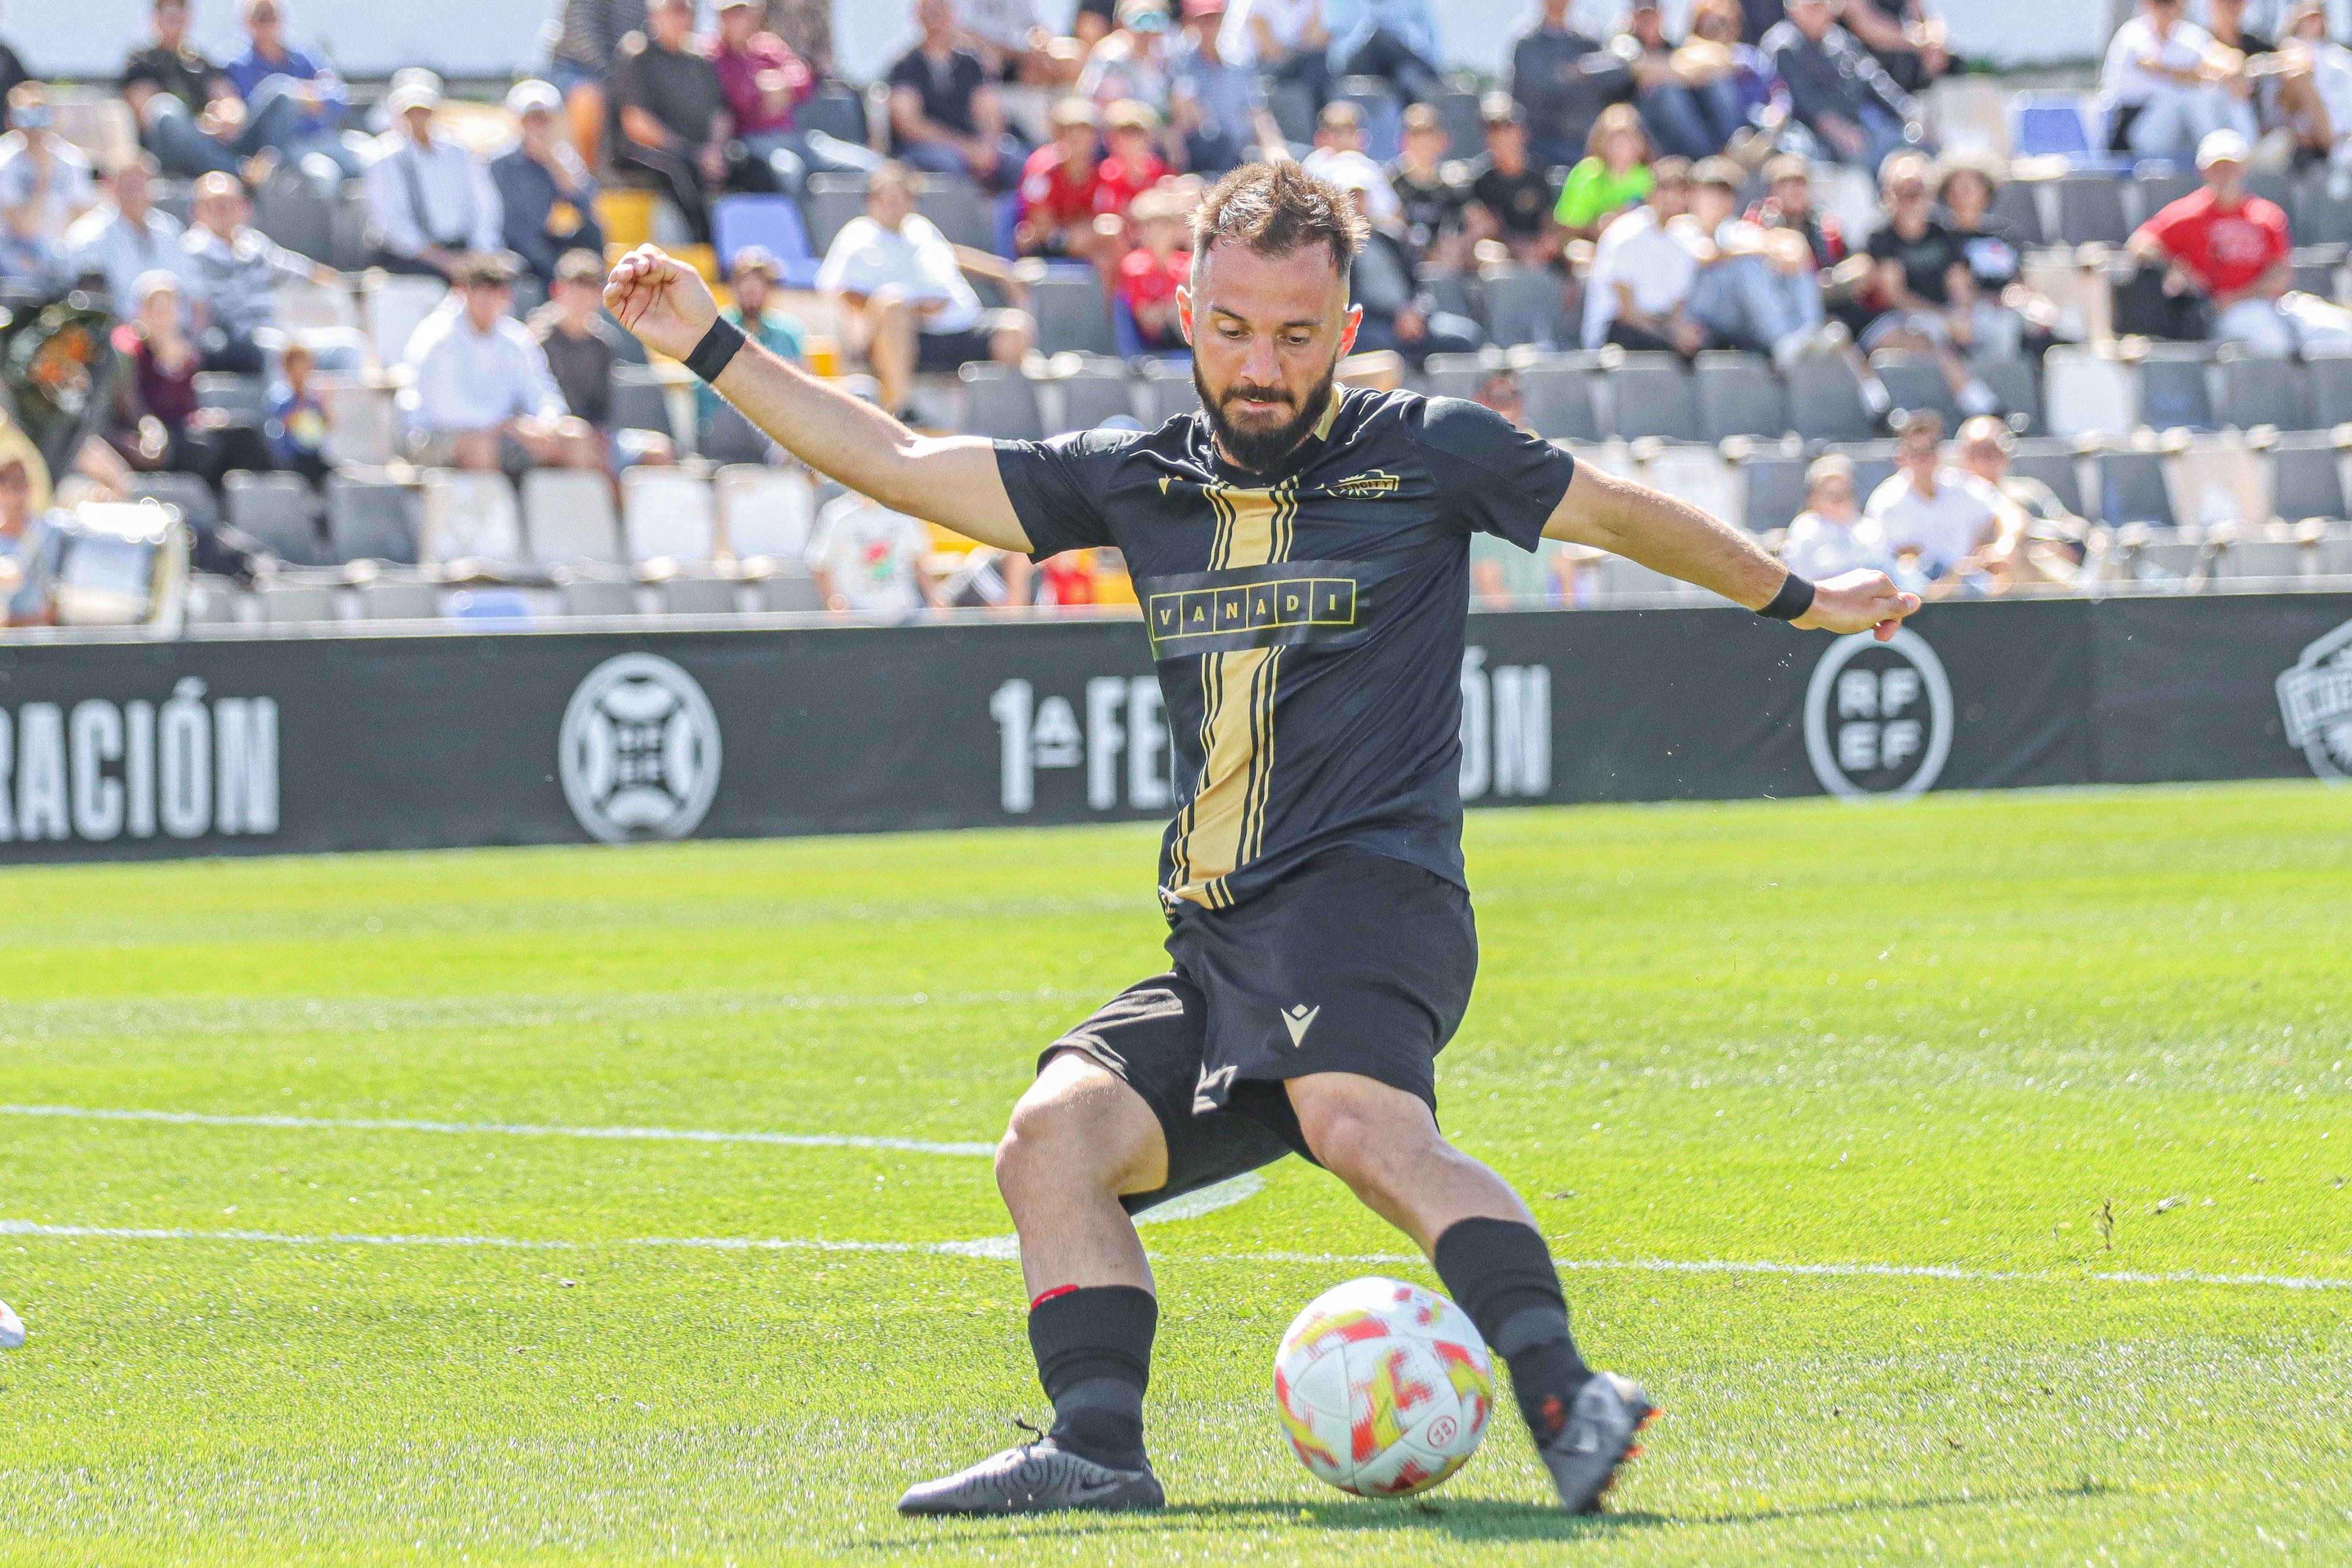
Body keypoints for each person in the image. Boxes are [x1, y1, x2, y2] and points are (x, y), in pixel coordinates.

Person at [597, 156, 1916, 1519]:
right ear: (1185, 314)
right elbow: (902, 466)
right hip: (1219, 940)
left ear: (1346, 328)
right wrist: (706, 342)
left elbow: (1618, 514)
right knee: (1052, 1141)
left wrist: (1803, 598)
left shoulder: (1429, 451)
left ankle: (1564, 1393)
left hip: (1371, 901)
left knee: (1355, 1122)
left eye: (1295, 335)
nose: (1260, 367)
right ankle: (1096, 1449)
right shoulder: (1137, 480)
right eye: (1231, 330)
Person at [814, 161, 1034, 416]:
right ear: (871, 201)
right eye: (887, 196)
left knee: (1016, 328)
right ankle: (902, 410)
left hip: (959, 327)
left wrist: (1003, 272)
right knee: (892, 305)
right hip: (902, 336)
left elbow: (952, 254)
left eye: (902, 195)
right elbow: (840, 291)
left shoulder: (921, 228)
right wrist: (912, 309)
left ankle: (999, 416)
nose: (895, 203)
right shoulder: (857, 236)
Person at [2128, 127, 2352, 356]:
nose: (2225, 174)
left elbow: (2281, 273)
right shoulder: (2187, 213)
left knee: (2340, 333)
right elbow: (2140, 244)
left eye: (2231, 167)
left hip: (2273, 303)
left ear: (2244, 168)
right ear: (2204, 172)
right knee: (2273, 343)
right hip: (2223, 314)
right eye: (2217, 168)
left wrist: (2241, 296)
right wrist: (2176, 268)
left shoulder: (2266, 214)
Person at [401, 250, 602, 473]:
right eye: (480, 289)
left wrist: (546, 423)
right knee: (480, 447)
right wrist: (508, 425)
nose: (487, 299)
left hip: (505, 434)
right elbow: (446, 411)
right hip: (431, 438)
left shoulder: (515, 337)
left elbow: (544, 394)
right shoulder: (437, 335)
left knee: (577, 439)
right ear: (463, 292)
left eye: (496, 290)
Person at [610, 0, 777, 246]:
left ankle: (767, 246)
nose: (682, 17)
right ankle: (706, 249)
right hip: (650, 155)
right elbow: (637, 123)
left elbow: (721, 115)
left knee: (756, 169)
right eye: (674, 10)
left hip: (704, 153)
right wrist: (693, 153)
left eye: (687, 10)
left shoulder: (700, 61)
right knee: (683, 172)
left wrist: (715, 150)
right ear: (654, 15)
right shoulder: (638, 55)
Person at [1860, 150, 2000, 419]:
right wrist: (1945, 319)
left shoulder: (1944, 235)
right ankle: (1984, 408)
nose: (1912, 199)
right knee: (1932, 344)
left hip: (1939, 321)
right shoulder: (1881, 239)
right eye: (1903, 191)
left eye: (1918, 190)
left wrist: (1961, 316)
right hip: (1892, 325)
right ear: (1887, 195)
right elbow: (1895, 297)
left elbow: (1960, 287)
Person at [121, 0, 305, 183]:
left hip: (216, 143)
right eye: (169, 16)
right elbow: (148, 112)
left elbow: (230, 101)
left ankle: (270, 172)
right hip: (176, 152)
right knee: (166, 110)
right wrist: (201, 126)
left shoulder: (199, 62)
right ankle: (242, 174)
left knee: (281, 94)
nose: (175, 21)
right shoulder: (141, 62)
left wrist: (226, 119)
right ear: (155, 19)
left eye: (179, 15)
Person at [709, 0, 881, 195]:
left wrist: (777, 86)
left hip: (796, 137)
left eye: (744, 12)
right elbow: (738, 99)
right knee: (790, 172)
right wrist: (764, 91)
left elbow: (803, 79)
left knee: (870, 164)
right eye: (732, 14)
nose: (740, 20)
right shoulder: (714, 56)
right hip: (754, 141)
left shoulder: (767, 46)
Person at [1682, 156, 1839, 367]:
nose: (1719, 200)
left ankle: (1810, 332)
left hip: (1735, 313)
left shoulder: (1732, 228)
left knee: (1794, 266)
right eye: (1711, 191)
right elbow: (1705, 255)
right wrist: (1762, 250)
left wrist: (1782, 251)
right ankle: (1781, 341)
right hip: (1699, 315)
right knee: (1749, 265)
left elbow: (1793, 247)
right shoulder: (1683, 227)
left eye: (1726, 192)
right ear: (1693, 196)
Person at [181, 170, 343, 374]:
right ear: (196, 212)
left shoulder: (254, 244)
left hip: (276, 331)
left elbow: (295, 269)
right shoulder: (188, 253)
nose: (223, 211)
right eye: (214, 205)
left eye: (230, 203)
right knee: (281, 354)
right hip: (237, 343)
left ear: (245, 208)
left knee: (347, 347)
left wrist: (339, 282)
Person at [1326, 160, 1483, 363]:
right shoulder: (1333, 250)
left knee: (1466, 337)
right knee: (1379, 346)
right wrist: (1395, 318)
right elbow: (1346, 302)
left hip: (1411, 320)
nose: (1356, 203)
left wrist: (1417, 312)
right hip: (1371, 323)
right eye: (1350, 196)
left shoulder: (1390, 239)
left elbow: (1419, 285)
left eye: (1360, 196)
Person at [362, 75, 502, 280]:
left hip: (462, 251)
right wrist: (443, 261)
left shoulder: (459, 151)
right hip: (409, 260)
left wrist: (480, 251)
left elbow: (485, 204)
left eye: (424, 110)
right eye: (412, 112)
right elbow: (392, 223)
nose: (418, 118)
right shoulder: (384, 159)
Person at [1762, 0, 1922, 172]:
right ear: (1794, 10)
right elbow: (1803, 99)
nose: (1821, 12)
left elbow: (1873, 77)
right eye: (1813, 7)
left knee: (1911, 144)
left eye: (1824, 6)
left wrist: (1907, 111)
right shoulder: (1784, 44)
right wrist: (1837, 129)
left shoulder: (1838, 39)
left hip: (1858, 126)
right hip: (1811, 137)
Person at [1864, 409, 2017, 583]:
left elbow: (2009, 512)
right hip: (1915, 591)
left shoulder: (1960, 485)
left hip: (1970, 588)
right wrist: (1954, 575)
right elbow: (1910, 564)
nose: (1923, 459)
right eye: (1915, 452)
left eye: (1929, 450)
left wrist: (2005, 545)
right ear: (1901, 457)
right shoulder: (1888, 502)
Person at [222, 0, 366, 182]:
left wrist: (300, 94)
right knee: (323, 175)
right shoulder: (236, 64)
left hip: (319, 136)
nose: (266, 22)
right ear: (245, 21)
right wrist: (303, 94)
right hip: (283, 149)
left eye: (271, 16)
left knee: (371, 158)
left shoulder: (303, 57)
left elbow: (338, 97)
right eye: (259, 16)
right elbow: (247, 114)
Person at [2102, 0, 2259, 162]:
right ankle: (2219, 154)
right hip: (2133, 129)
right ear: (2146, 4)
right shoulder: (2133, 34)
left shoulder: (2188, 34)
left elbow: (2231, 59)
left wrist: (2228, 74)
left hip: (2175, 132)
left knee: (2226, 90)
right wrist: (2205, 75)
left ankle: (2244, 149)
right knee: (2187, 94)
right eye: (2160, 3)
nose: (2166, 9)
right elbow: (2153, 65)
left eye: (2172, 3)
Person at [887, 0, 1022, 188]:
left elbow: (990, 113)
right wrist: (966, 149)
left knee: (1017, 162)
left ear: (952, 13)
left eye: (940, 7)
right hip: (926, 148)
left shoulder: (971, 64)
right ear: (917, 15)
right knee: (951, 165)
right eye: (928, 9)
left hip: (972, 144)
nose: (935, 14)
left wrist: (988, 147)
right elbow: (909, 125)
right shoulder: (905, 67)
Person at [490, 80, 606, 287]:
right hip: (514, 245)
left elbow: (588, 206)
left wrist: (554, 164)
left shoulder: (564, 159)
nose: (538, 127)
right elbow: (513, 223)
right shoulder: (502, 164)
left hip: (547, 240)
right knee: (542, 259)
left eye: (544, 119)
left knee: (593, 235)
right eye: (532, 119)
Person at [1581, 156, 1700, 351]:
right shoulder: (1626, 234)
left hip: (1657, 329)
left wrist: (1681, 334)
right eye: (1665, 189)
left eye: (1680, 191)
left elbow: (1676, 311)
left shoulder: (1683, 247)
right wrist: (1669, 337)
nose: (1672, 197)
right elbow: (1626, 312)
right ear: (1650, 192)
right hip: (1613, 333)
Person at [63, 155, 201, 323]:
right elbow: (90, 311)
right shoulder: (88, 237)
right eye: (127, 184)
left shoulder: (170, 230)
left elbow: (198, 297)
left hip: (177, 335)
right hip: (120, 335)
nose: (135, 192)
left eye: (141, 184)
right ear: (112, 187)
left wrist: (194, 336)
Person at [1507, 0, 1634, 171]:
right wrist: (1579, 80)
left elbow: (1617, 73)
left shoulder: (1587, 41)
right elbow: (1540, 85)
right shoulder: (1528, 43)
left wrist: (1581, 69)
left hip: (1581, 144)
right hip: (1536, 145)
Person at [693, 243, 801, 440]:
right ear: (734, 289)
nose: (751, 294)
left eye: (758, 287)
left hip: (778, 428)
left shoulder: (788, 333)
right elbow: (705, 390)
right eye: (745, 287)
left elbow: (800, 386)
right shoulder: (717, 328)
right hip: (726, 426)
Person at [1955, 413, 2087, 574]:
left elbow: (2068, 538)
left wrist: (2045, 547)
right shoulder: (1953, 500)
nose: (1985, 461)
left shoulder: (2028, 493)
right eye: (1977, 452)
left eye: (1993, 451)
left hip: (2035, 575)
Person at [1616, 0, 1746, 161]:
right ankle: (1706, 159)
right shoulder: (1624, 41)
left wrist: (1680, 70)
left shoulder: (1669, 45)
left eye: (1652, 17)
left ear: (1660, 16)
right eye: (1643, 18)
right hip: (1639, 115)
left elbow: (1722, 60)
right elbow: (1641, 68)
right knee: (1668, 93)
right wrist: (1686, 71)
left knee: (1717, 84)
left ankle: (1733, 145)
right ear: (1633, 17)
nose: (1648, 23)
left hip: (1676, 118)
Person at [1169, 0, 1285, 176]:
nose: (1210, 26)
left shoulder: (1239, 64)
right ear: (1191, 23)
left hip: (1241, 152)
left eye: (1214, 19)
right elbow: (1185, 117)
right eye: (1203, 20)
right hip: (1206, 155)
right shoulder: (1182, 64)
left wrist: (1273, 148)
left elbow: (1256, 112)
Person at [0, 84, 98, 290]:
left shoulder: (72, 160)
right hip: (14, 254)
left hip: (62, 252)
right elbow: (23, 229)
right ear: (11, 120)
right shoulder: (4, 161)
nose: (34, 127)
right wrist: (42, 180)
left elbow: (83, 215)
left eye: (41, 115)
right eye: (25, 117)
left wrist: (59, 251)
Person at [541, 0, 648, 169]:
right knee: (588, 98)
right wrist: (612, 77)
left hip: (624, 73)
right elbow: (583, 33)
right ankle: (588, 178)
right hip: (578, 68)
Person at [807, 486, 938, 614]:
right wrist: (834, 601)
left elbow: (919, 561)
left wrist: (934, 599)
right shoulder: (837, 515)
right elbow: (821, 565)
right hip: (858, 614)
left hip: (903, 612)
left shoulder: (903, 513)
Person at [1464, 95, 1560, 265]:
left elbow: (1551, 226)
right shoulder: (1477, 181)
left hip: (1538, 252)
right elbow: (1486, 230)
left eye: (1508, 127)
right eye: (1494, 129)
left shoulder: (1542, 177)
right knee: (1487, 252)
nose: (1502, 135)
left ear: (1524, 132)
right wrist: (1518, 249)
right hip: (1501, 252)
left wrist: (1544, 245)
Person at [1016, 99, 1114, 265]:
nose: (1077, 137)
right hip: (1042, 247)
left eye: (1085, 130)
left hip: (1085, 242)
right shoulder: (1041, 169)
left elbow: (1102, 218)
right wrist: (1072, 237)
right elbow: (1040, 226)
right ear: (1056, 134)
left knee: (1110, 244)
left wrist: (1087, 233)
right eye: (1068, 130)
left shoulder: (1103, 170)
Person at [1779, 452, 1892, 577]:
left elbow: (1886, 571)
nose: (1839, 500)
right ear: (1812, 498)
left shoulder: (1871, 529)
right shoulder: (1805, 528)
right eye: (1830, 494)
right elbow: (1803, 578)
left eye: (1844, 492)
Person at [1553, 102, 1653, 241]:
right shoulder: (1587, 174)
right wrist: (1597, 226)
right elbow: (1566, 226)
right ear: (1600, 142)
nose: (1620, 147)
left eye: (1627, 140)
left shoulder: (1649, 178)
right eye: (1613, 140)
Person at [1387, 102, 1469, 268]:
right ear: (1403, 141)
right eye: (1416, 134)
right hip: (1402, 265)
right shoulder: (1391, 182)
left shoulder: (1453, 185)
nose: (1423, 142)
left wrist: (1456, 246)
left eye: (1429, 134)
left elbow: (1469, 227)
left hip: (1444, 265)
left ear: (1443, 140)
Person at [1116, 185, 1194, 350]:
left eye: (1162, 225)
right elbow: (1148, 321)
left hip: (1186, 342)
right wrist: (1171, 310)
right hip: (1153, 347)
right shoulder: (1135, 266)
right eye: (1146, 226)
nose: (1153, 233)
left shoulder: (1187, 263)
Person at [1324, 0, 1444, 104]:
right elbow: (1337, 59)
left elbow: (1428, 48)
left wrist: (1396, 34)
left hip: (1404, 63)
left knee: (1409, 76)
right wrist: (1367, 32)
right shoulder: (1342, 4)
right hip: (1359, 64)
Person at [1218, 0, 1329, 113]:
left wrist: (1317, 8)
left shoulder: (1311, 3)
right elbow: (1269, 51)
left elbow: (1318, 40)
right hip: (1240, 69)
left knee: (1317, 64)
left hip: (1282, 65)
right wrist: (1299, 48)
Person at [1301, 102, 1400, 226]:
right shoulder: (1313, 167)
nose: (1344, 139)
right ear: (1323, 136)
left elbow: (1394, 216)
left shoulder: (1369, 167)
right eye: (1337, 132)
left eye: (1350, 131)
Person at [0, 427, 60, 628]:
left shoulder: (49, 532)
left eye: (22, 482)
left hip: (42, 639)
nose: (18, 491)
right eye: (8, 483)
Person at [1081, 0, 1178, 121]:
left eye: (1155, 19)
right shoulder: (1109, 56)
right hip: (1116, 128)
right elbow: (1093, 104)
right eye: (1138, 20)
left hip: (1155, 129)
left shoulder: (1166, 57)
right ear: (1121, 23)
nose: (1146, 30)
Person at [1838, 0, 1948, 96]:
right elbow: (1865, 27)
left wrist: (1934, 43)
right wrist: (1918, 42)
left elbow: (1924, 20)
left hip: (1900, 78)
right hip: (1857, 73)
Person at [264, 337, 330, 482]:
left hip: (312, 458)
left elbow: (325, 427)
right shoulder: (278, 396)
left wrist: (325, 404)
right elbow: (280, 428)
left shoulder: (314, 399)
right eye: (298, 364)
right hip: (289, 460)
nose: (303, 370)